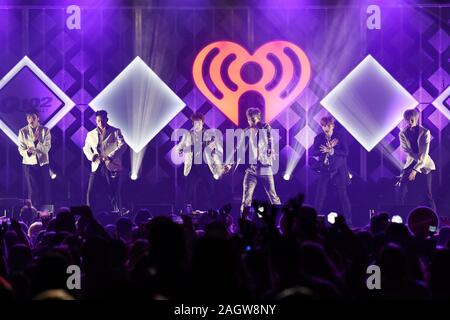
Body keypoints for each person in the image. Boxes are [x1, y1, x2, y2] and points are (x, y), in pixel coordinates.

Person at [176, 112, 223, 210]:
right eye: (195, 123)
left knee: (210, 190)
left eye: (199, 122)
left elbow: (217, 148)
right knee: (188, 191)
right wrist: (181, 150)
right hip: (192, 166)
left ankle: (212, 211)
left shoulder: (209, 134)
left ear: (202, 123)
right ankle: (187, 211)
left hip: (206, 166)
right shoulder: (188, 135)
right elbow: (180, 147)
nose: (197, 124)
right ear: (193, 123)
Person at [83, 110, 128, 214]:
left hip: (111, 165)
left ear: (107, 120)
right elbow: (86, 148)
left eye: (102, 121)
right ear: (96, 121)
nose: (101, 123)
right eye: (98, 121)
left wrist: (110, 157)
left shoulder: (115, 131)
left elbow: (123, 145)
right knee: (91, 190)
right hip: (97, 165)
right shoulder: (91, 134)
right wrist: (92, 156)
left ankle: (117, 212)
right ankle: (88, 213)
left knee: (112, 191)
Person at [238, 107, 281, 213]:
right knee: (246, 198)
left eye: (254, 120)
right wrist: (229, 164)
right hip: (251, 169)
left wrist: (270, 150)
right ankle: (243, 222)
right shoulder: (246, 131)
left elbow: (269, 139)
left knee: (273, 196)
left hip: (265, 167)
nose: (251, 122)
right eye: (249, 120)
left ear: (258, 119)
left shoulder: (265, 127)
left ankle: (283, 220)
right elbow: (238, 148)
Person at [312, 116, 351, 224]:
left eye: (328, 125)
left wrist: (332, 150)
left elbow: (345, 152)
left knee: (343, 195)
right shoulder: (319, 138)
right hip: (325, 168)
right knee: (320, 194)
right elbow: (314, 152)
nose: (326, 128)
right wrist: (325, 149)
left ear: (332, 125)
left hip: (339, 169)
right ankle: (315, 220)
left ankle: (348, 222)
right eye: (323, 126)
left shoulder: (340, 136)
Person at [398, 108, 436, 212]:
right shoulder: (402, 133)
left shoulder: (425, 132)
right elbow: (406, 149)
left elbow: (424, 155)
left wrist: (415, 170)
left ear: (416, 119)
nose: (409, 122)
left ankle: (434, 222)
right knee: (402, 190)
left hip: (424, 165)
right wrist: (415, 161)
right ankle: (403, 218)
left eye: (411, 120)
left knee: (428, 194)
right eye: (407, 120)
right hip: (410, 163)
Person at [18, 109, 51, 207]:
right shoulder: (22, 131)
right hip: (29, 164)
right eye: (29, 118)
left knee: (45, 189)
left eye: (33, 118)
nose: (31, 120)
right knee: (33, 190)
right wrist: (27, 152)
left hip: (43, 164)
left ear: (38, 118)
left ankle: (47, 213)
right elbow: (20, 149)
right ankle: (32, 212)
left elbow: (46, 148)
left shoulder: (45, 130)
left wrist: (36, 142)